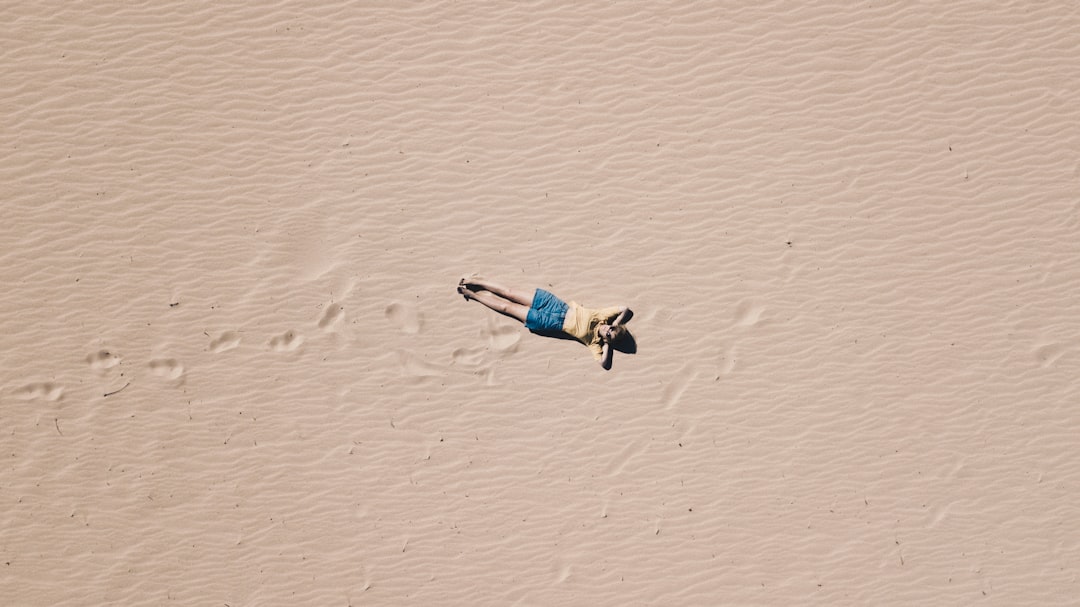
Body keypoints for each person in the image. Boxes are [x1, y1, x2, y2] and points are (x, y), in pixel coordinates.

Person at [457, 276, 633, 369]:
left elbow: (604, 364)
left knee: (506, 307)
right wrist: (617, 322)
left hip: (548, 322)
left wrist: (607, 343)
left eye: (609, 333)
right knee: (509, 292)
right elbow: (625, 308)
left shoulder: (594, 343)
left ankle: (473, 296)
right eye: (611, 328)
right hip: (554, 304)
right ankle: (475, 281)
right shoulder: (601, 316)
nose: (606, 329)